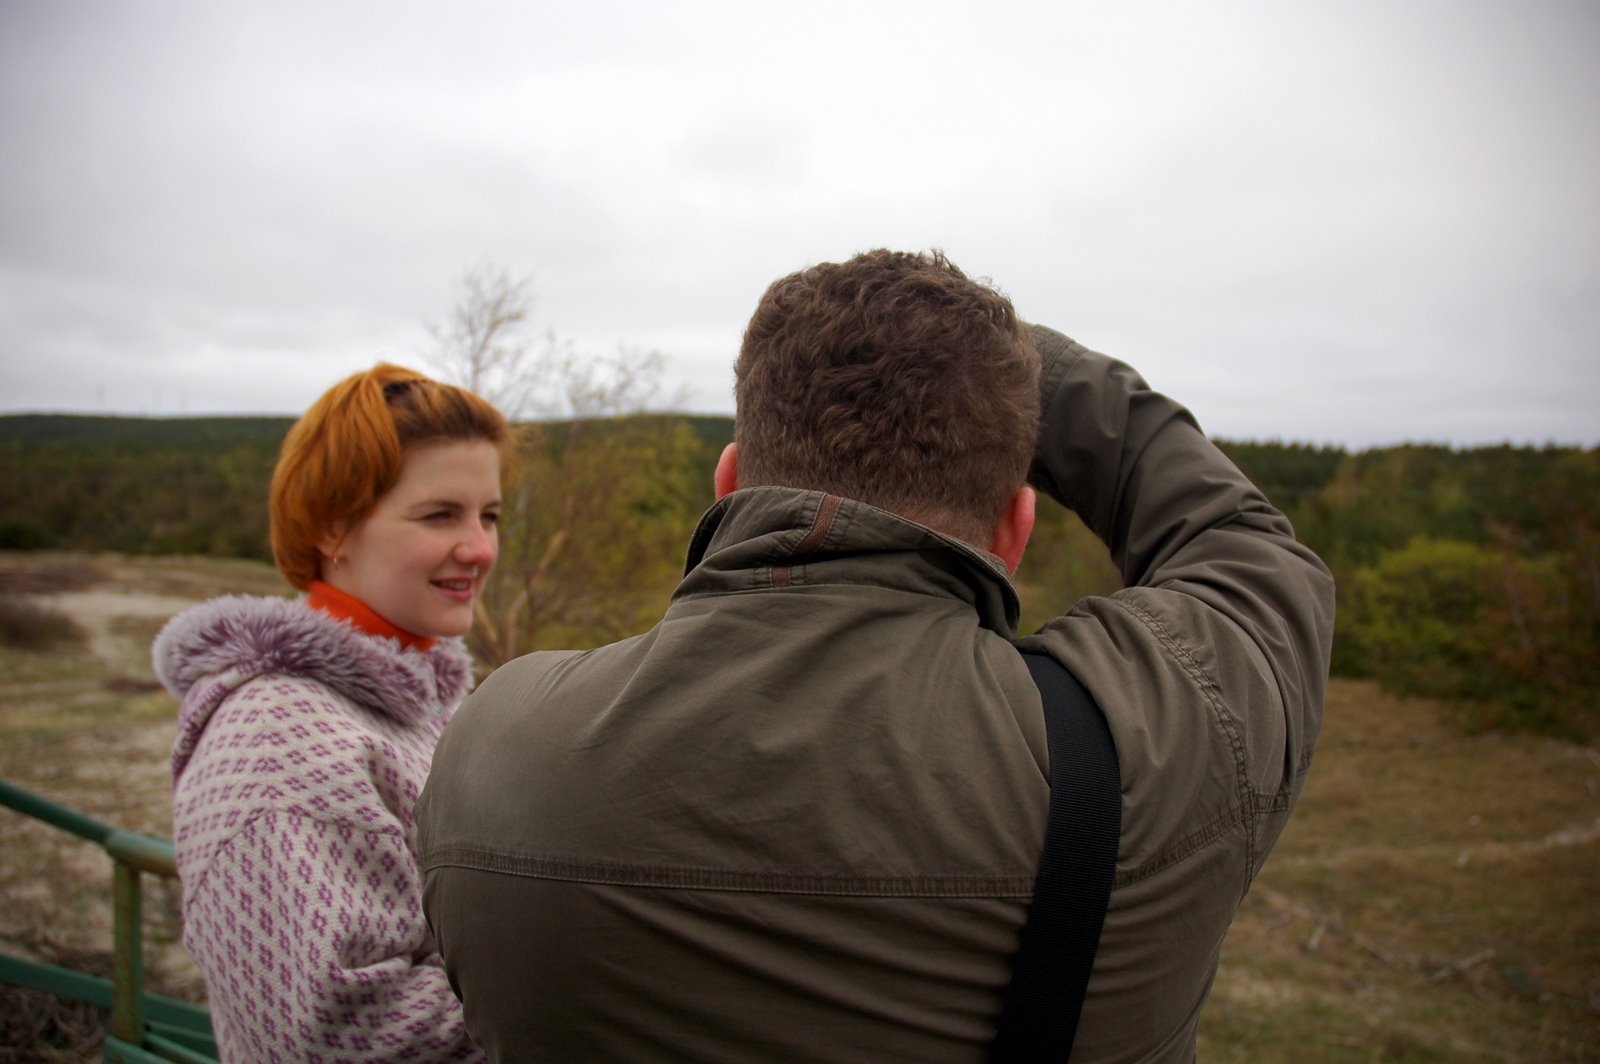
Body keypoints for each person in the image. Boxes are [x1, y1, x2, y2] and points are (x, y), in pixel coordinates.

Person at [417, 250, 1335, 1062]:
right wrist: (1022, 362)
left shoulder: (499, 745)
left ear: (727, 483)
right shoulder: (1161, 745)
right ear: (1015, 530)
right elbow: (1246, 547)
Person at [153, 364, 504, 1062]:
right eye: (440, 515)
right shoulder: (276, 742)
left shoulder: (419, 701)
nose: (481, 548)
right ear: (330, 529)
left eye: (489, 515)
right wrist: (584, 984)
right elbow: (341, 1034)